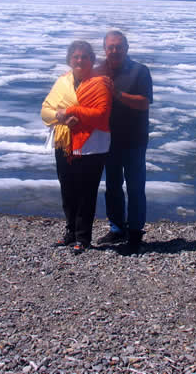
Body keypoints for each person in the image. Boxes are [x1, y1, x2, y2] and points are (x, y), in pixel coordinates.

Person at [41, 40, 112, 254]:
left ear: (92, 59)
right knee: (68, 189)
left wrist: (73, 112)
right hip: (64, 142)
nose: (80, 60)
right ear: (69, 59)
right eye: (75, 56)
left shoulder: (100, 83)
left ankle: (83, 237)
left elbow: (101, 115)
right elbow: (45, 111)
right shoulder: (62, 82)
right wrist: (60, 117)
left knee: (86, 192)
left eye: (84, 56)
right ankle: (70, 232)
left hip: (92, 145)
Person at [96, 30, 153, 254]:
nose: (114, 50)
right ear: (105, 49)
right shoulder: (99, 70)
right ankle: (117, 228)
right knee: (112, 186)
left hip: (134, 139)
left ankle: (136, 233)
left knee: (135, 187)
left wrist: (117, 94)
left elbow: (144, 103)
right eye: (110, 47)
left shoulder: (140, 71)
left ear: (126, 48)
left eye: (118, 46)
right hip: (107, 139)